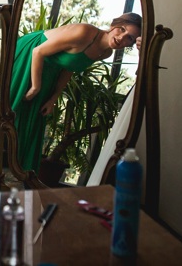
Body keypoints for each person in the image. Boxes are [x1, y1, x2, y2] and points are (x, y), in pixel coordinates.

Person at [9, 12, 142, 172]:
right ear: (114, 25)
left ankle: (19, 172)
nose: (122, 38)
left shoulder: (106, 53)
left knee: (33, 119)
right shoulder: (84, 33)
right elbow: (38, 52)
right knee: (12, 111)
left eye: (130, 38)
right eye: (122, 29)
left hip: (50, 71)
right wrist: (35, 87)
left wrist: (53, 98)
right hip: (30, 57)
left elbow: (70, 68)